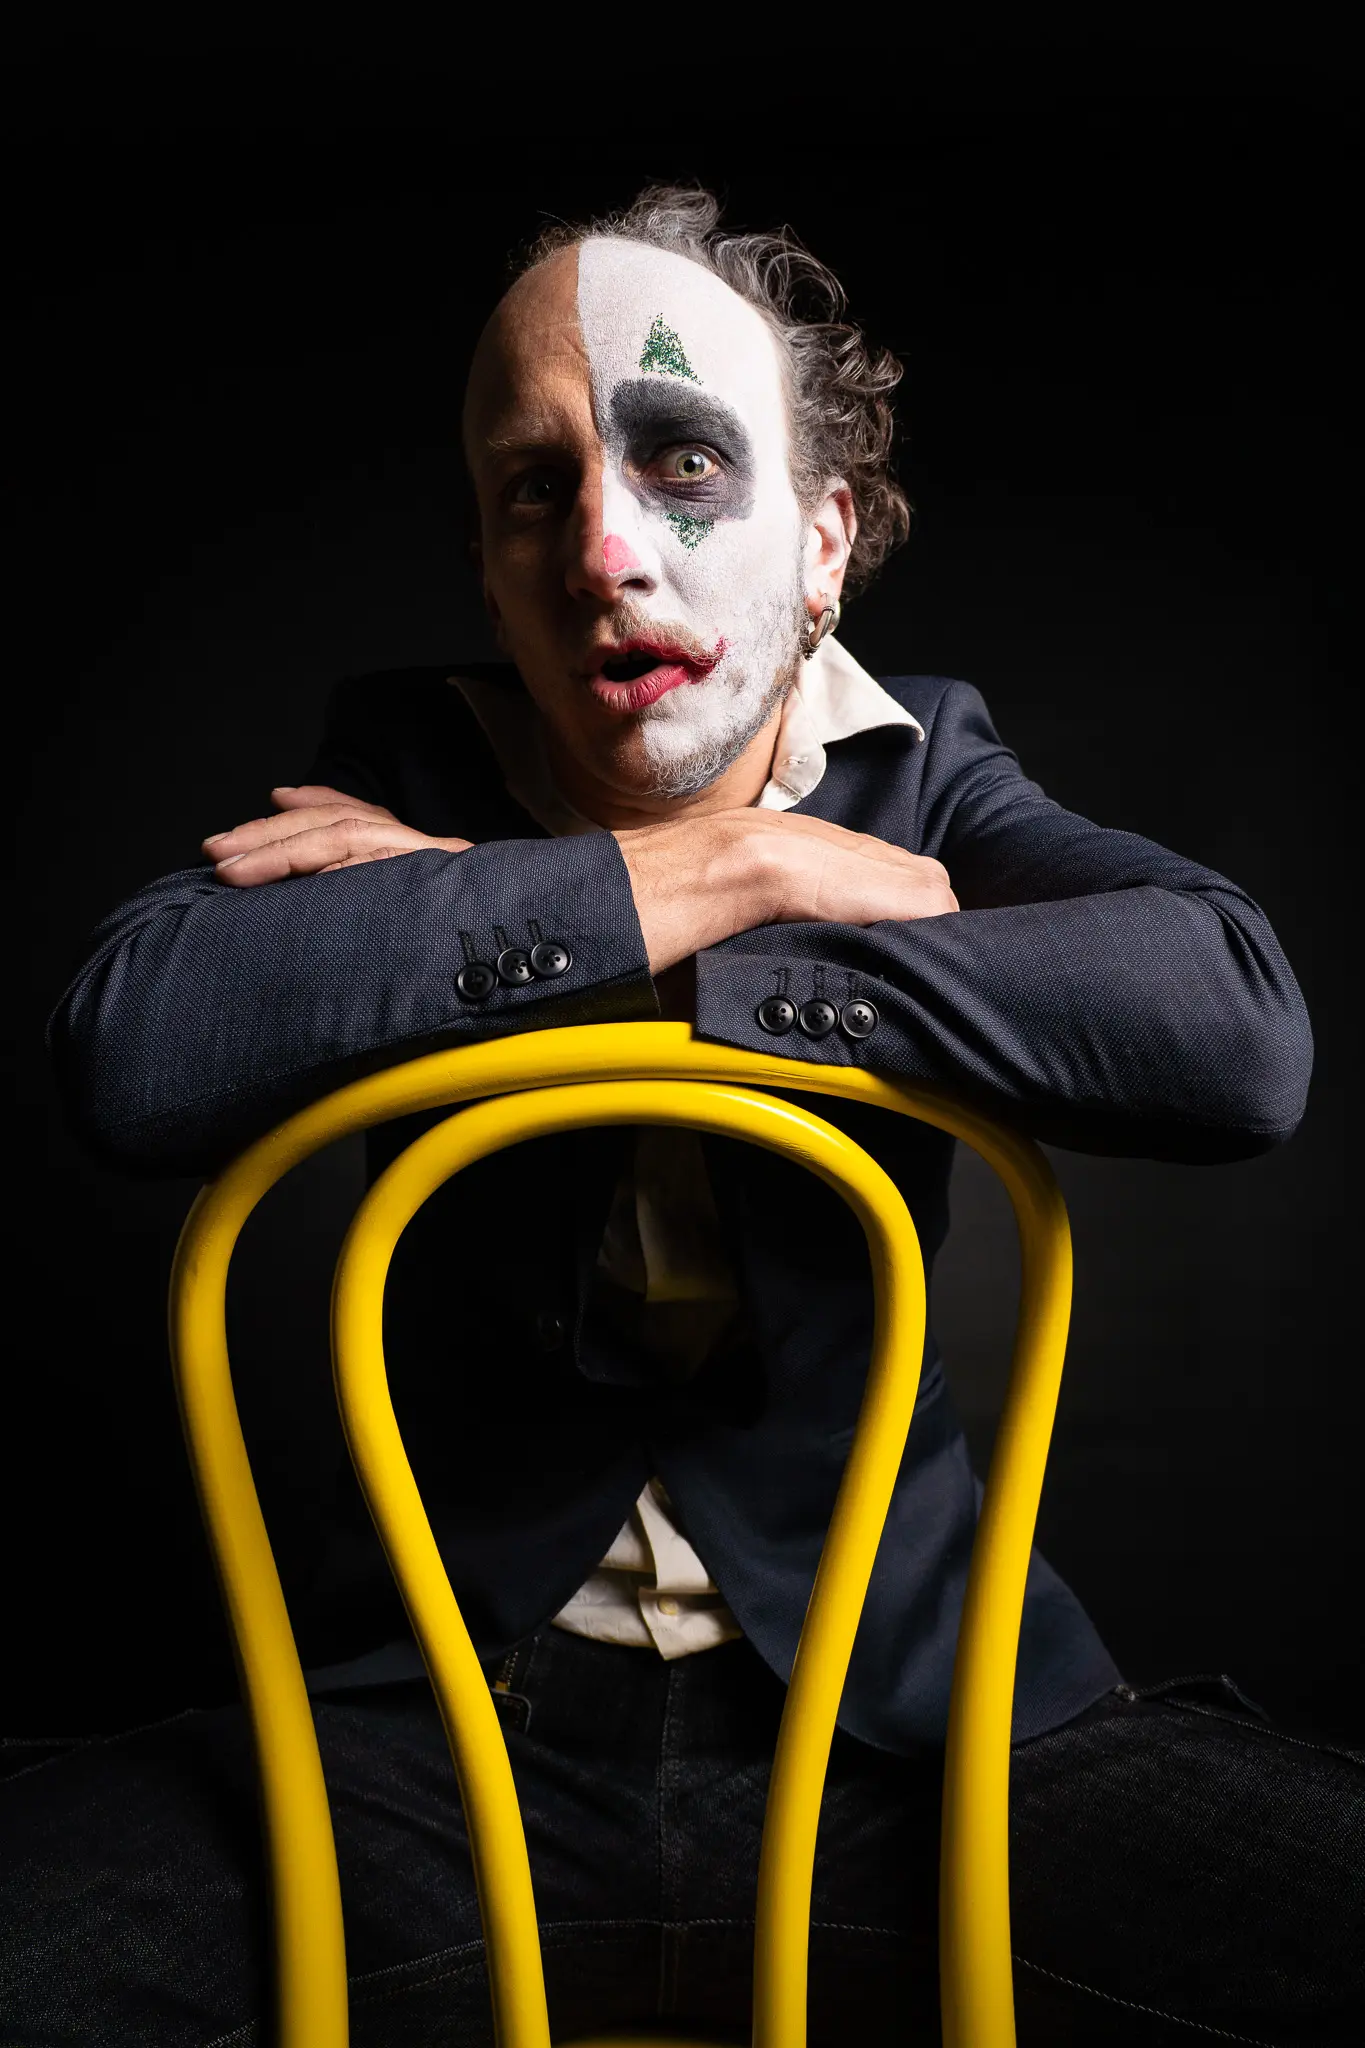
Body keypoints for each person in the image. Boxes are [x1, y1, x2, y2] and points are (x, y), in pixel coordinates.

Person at [5, 184, 1360, 2045]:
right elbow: (131, 1044)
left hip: (921, 1742)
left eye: (685, 462)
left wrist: (575, 940)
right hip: (425, 1755)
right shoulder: (403, 761)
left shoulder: (924, 772)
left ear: (823, 543)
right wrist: (715, 872)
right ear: (489, 569)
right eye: (532, 490)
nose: (602, 550)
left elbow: (1237, 1029)